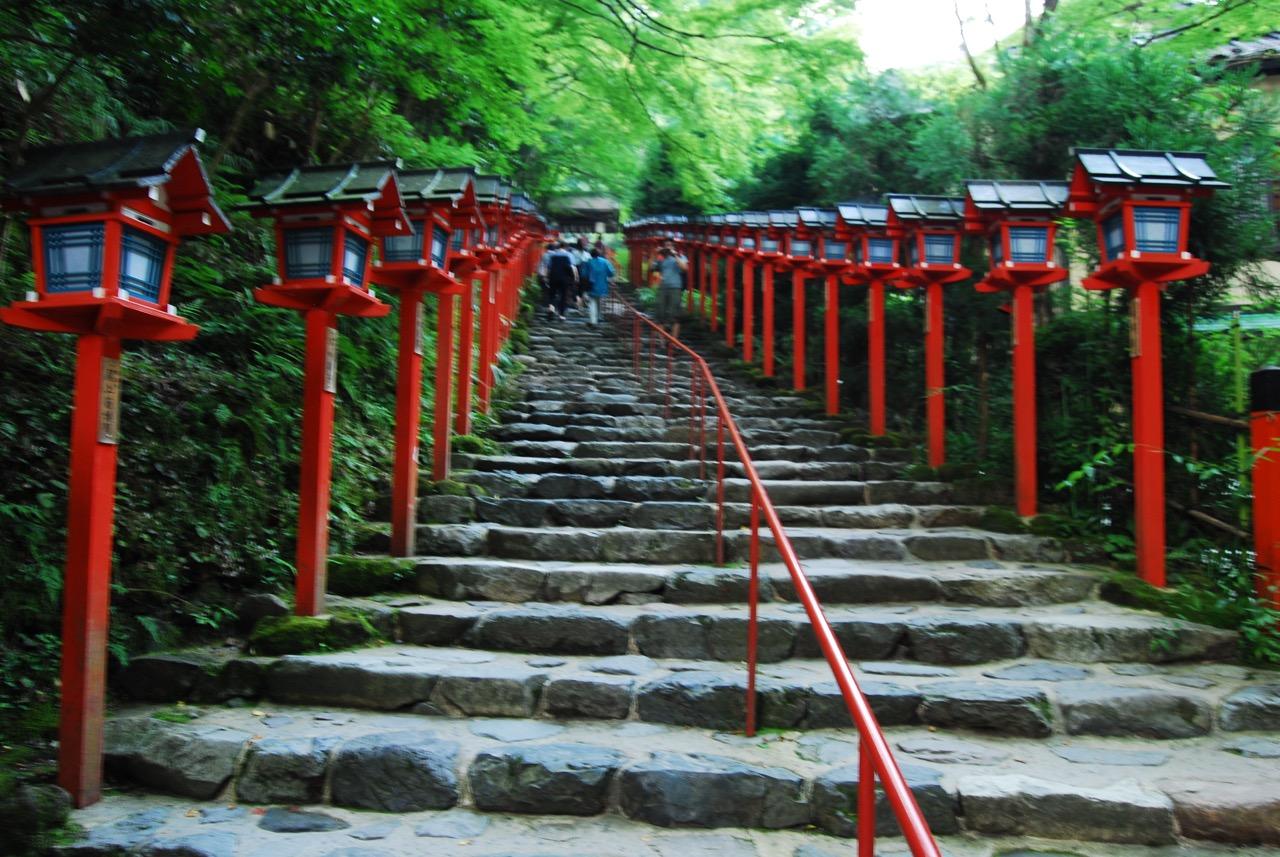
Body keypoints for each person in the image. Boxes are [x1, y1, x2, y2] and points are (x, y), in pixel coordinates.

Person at [648, 245, 688, 337]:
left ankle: (674, 341)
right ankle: (661, 341)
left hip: (675, 287)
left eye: (670, 246)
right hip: (663, 287)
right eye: (666, 246)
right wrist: (654, 254)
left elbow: (684, 268)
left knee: (675, 315)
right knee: (660, 313)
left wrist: (675, 255)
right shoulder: (661, 259)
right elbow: (651, 268)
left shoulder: (681, 256)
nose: (668, 248)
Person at [540, 241, 577, 320]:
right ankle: (561, 315)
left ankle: (551, 309)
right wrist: (575, 278)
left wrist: (546, 277)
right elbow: (573, 267)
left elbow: (548, 267)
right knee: (563, 295)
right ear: (566, 247)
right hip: (564, 278)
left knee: (552, 295)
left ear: (558, 247)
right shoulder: (569, 255)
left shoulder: (553, 255)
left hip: (553, 277)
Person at [582, 247, 615, 327]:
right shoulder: (605, 262)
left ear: (591, 254)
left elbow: (584, 274)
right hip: (602, 284)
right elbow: (611, 273)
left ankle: (593, 321)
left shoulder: (588, 262)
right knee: (599, 301)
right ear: (599, 254)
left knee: (592, 302)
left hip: (591, 285)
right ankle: (599, 317)